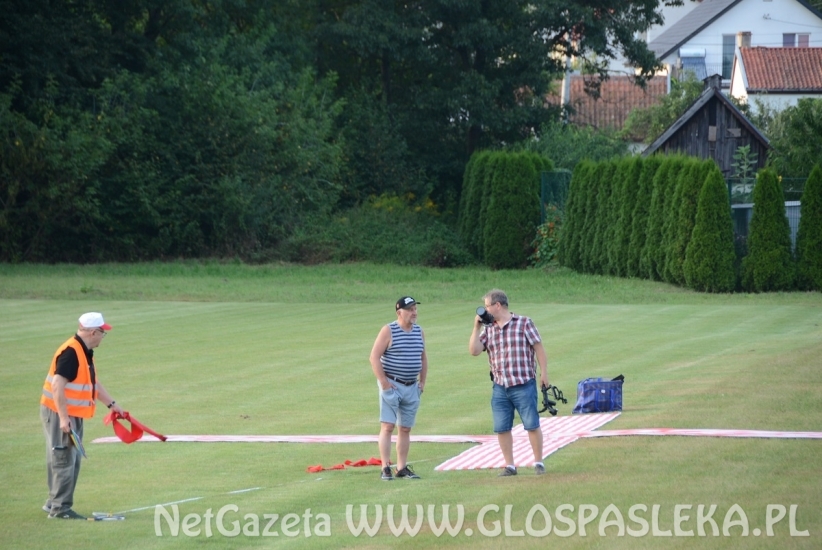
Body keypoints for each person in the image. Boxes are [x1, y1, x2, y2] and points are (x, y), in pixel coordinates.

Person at [40, 312, 125, 519]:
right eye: (103, 333)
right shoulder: (71, 352)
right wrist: (63, 417)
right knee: (63, 458)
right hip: (61, 412)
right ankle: (60, 509)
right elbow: (57, 385)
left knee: (69, 457)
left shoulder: (84, 350)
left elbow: (92, 382)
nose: (103, 337)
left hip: (71, 413)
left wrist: (112, 404)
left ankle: (54, 503)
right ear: (93, 332)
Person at [469, 289, 549, 477]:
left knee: (531, 424)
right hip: (499, 386)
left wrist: (544, 373)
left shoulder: (524, 323)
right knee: (502, 427)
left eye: (487, 306)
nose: (486, 311)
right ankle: (510, 466)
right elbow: (474, 351)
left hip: (523, 383)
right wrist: (476, 327)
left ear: (497, 305)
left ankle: (538, 462)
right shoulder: (489, 329)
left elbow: (539, 348)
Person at [369, 296, 428, 480]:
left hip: (412, 386)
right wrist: (385, 385)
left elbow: (423, 357)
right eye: (409, 309)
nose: (414, 312)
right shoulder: (389, 330)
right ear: (399, 312)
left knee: (405, 429)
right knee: (387, 426)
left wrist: (422, 382)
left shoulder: (419, 331)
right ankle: (385, 466)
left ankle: (401, 468)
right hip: (392, 385)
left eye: (415, 309)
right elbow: (374, 357)